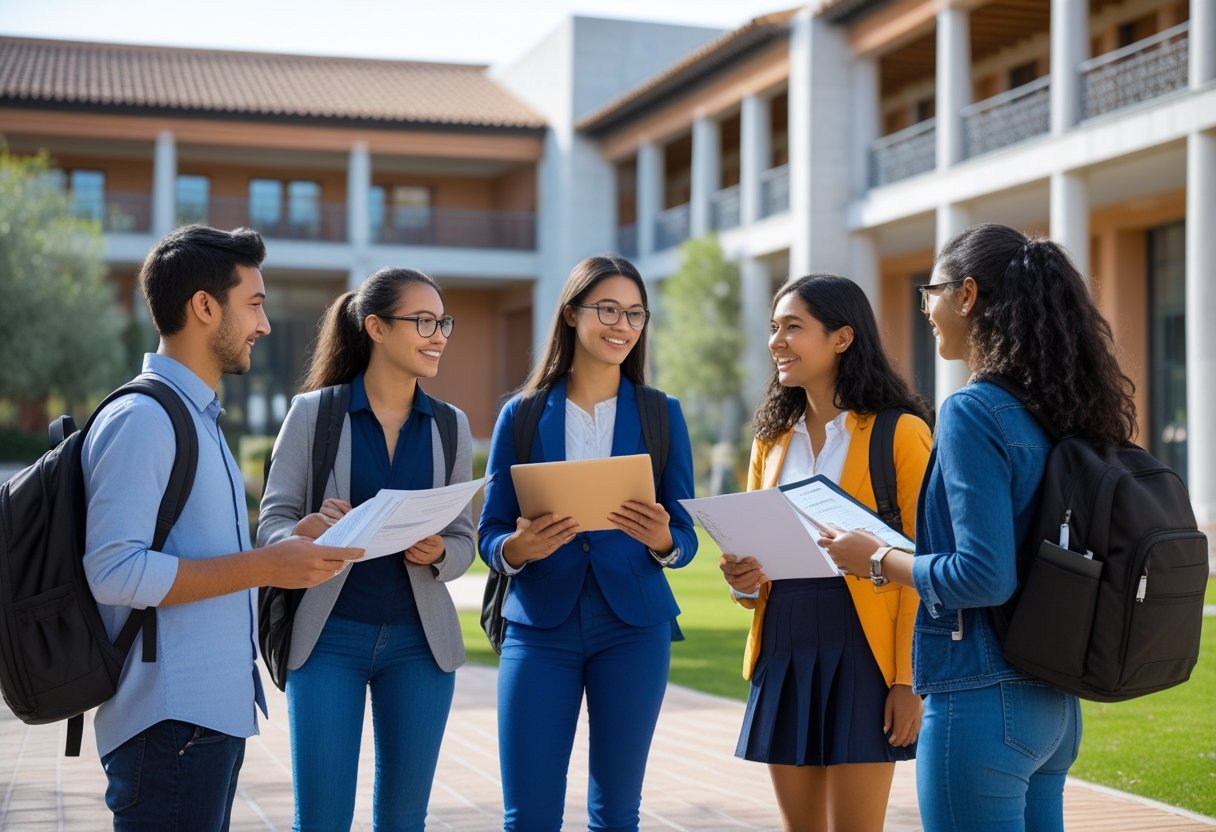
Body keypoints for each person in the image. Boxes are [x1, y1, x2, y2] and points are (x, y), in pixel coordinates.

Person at [822, 224, 1138, 831]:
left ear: (966, 295)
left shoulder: (973, 409)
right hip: (1052, 701)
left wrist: (878, 557)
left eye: (930, 293)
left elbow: (984, 575)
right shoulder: (1059, 409)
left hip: (980, 696)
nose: (927, 311)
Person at [81, 225, 364, 831]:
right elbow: (113, 570)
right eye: (255, 304)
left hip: (202, 720)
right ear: (205, 306)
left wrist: (291, 543)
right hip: (168, 726)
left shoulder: (196, 417)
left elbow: (199, 554)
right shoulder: (144, 420)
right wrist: (266, 567)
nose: (263, 325)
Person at [477, 255, 698, 832]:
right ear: (572, 314)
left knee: (617, 813)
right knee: (528, 815)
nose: (621, 325)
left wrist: (663, 541)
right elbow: (491, 532)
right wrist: (517, 549)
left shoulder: (661, 414)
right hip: (539, 627)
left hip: (634, 627)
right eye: (607, 309)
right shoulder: (521, 415)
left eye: (634, 314)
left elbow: (686, 535)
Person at [257, 267, 475, 832]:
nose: (439, 335)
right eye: (423, 321)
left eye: (442, 322)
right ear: (376, 328)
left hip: (420, 647)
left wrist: (437, 552)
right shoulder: (314, 415)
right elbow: (272, 525)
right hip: (328, 640)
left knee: (404, 821)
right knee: (322, 820)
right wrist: (307, 531)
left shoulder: (452, 427)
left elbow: (465, 540)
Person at [718, 274, 932, 832]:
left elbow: (925, 564)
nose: (776, 341)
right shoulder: (771, 441)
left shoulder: (900, 434)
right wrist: (742, 579)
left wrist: (909, 681)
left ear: (841, 337)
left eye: (793, 327)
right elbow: (753, 573)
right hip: (784, 644)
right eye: (773, 328)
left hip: (863, 650)